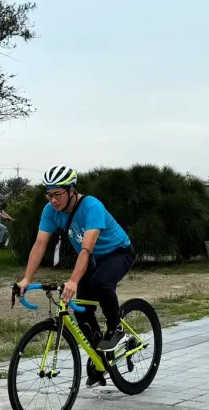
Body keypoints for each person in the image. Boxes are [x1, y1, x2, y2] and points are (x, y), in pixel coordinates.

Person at [17, 165, 136, 387]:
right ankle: (100, 361)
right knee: (82, 313)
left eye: (58, 194)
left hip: (118, 253)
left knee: (100, 282)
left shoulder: (91, 206)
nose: (53, 200)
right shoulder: (50, 211)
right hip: (92, 259)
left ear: (71, 190)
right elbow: (40, 244)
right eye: (49, 194)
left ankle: (116, 327)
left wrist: (73, 280)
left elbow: (86, 249)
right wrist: (26, 279)